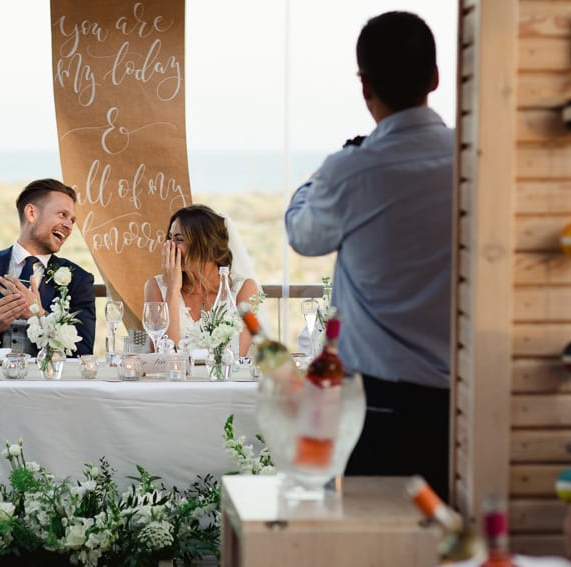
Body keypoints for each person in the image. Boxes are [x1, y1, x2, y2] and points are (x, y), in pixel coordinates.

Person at [284, 11, 454, 500]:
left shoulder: (351, 170)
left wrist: (318, 180)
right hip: (464, 399)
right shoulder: (471, 160)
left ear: (365, 86)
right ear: (436, 77)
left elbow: (302, 234)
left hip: (380, 401)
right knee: (451, 529)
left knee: (374, 528)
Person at [0, 178, 96, 356]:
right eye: (62, 214)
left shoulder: (79, 280)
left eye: (72, 220)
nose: (69, 225)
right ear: (31, 213)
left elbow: (83, 352)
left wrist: (39, 316)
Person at [144, 204, 260, 355]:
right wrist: (173, 289)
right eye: (169, 238)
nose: (169, 247)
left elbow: (239, 354)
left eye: (178, 239)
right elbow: (164, 355)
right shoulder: (156, 287)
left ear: (205, 245)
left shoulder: (245, 289)